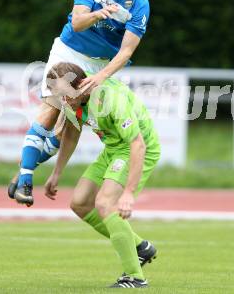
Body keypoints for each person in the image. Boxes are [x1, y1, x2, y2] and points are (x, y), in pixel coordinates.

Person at [8, 0, 151, 206]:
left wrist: (100, 76)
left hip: (100, 65)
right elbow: (77, 23)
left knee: (69, 127)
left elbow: (126, 52)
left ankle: (22, 170)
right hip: (69, 50)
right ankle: (26, 180)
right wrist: (100, 13)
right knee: (52, 109)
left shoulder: (140, 5)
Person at [44, 62, 161, 288]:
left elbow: (138, 145)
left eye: (64, 95)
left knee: (106, 204)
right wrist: (56, 173)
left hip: (136, 148)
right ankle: (140, 247)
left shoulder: (110, 100)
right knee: (79, 203)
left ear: (80, 85)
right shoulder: (73, 100)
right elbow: (71, 133)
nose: (62, 101)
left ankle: (135, 277)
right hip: (114, 149)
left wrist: (128, 193)